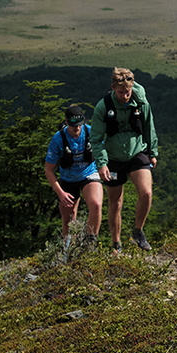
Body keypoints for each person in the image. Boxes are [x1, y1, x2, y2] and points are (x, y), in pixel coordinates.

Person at [90, 67, 159, 254]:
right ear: (113, 88)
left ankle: (138, 231)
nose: (125, 96)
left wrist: (153, 152)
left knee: (146, 192)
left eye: (128, 91)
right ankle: (116, 243)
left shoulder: (140, 101)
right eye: (121, 92)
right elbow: (95, 139)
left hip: (137, 151)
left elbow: (148, 126)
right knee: (116, 202)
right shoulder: (103, 107)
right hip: (113, 157)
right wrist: (102, 163)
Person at [43, 104, 103, 248]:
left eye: (79, 125)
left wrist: (104, 167)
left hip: (88, 173)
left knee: (96, 204)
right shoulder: (58, 139)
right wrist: (61, 193)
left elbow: (103, 152)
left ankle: (90, 241)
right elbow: (49, 170)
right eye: (72, 125)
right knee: (69, 221)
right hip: (68, 179)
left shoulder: (90, 133)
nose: (76, 129)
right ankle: (68, 250)